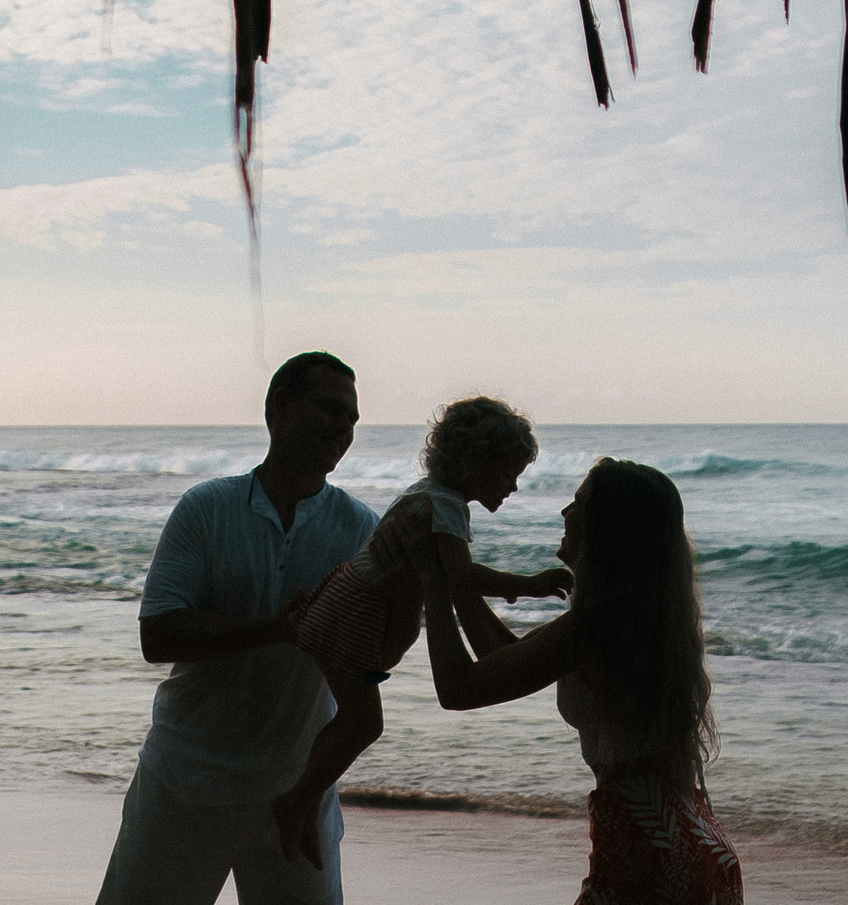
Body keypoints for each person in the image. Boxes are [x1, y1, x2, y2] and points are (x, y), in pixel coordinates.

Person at [94, 352, 378, 905]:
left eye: (352, 419)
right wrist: (275, 630)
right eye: (329, 409)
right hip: (183, 779)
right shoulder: (207, 508)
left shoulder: (361, 528)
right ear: (277, 408)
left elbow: (374, 653)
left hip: (296, 791)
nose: (343, 429)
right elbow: (159, 635)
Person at [409, 457, 743, 905]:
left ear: (608, 528)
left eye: (579, 504)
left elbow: (459, 688)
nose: (565, 514)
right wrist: (458, 583)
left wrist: (433, 578)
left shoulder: (589, 630)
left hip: (647, 849)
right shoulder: (635, 622)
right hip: (695, 844)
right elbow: (504, 661)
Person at [271, 396, 572, 864]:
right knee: (363, 722)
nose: (513, 487)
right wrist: (527, 585)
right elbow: (462, 578)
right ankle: (295, 802)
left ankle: (305, 801)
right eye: (508, 473)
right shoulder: (445, 507)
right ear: (475, 463)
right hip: (353, 614)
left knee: (353, 720)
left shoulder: (427, 494)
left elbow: (453, 586)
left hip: (344, 605)